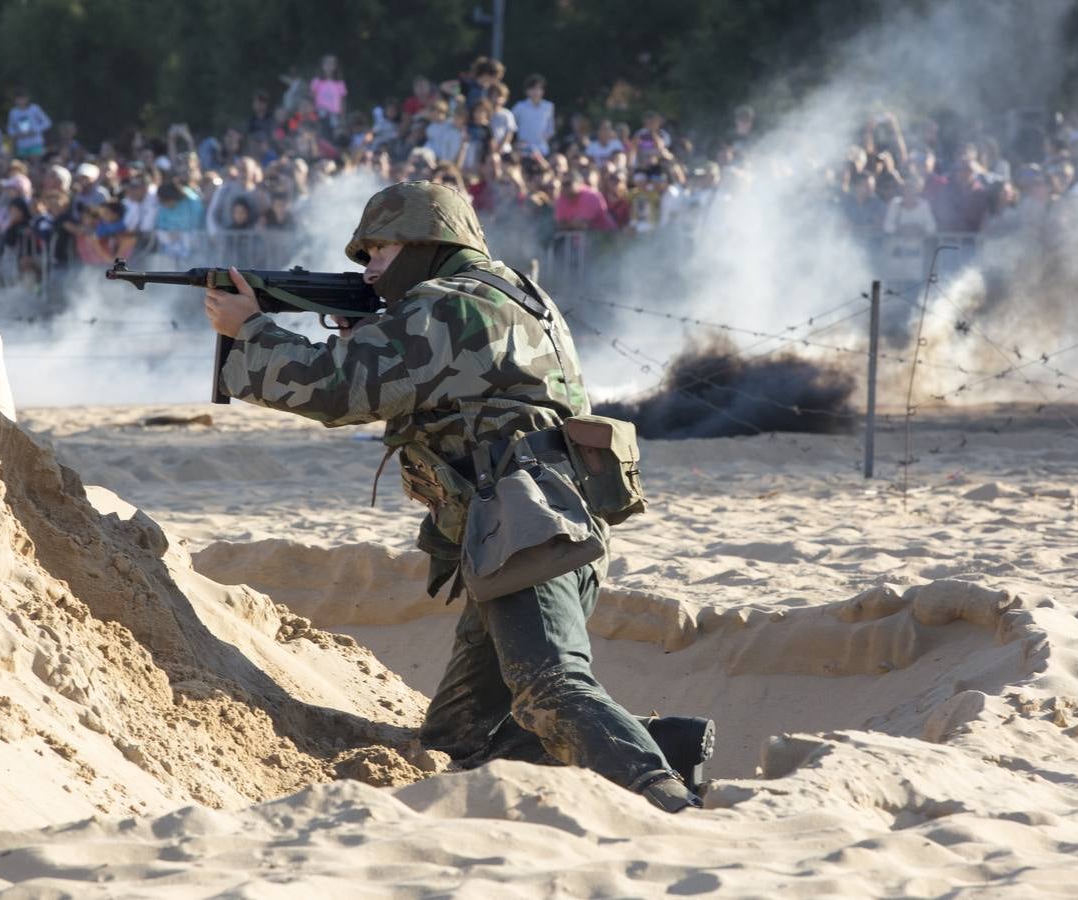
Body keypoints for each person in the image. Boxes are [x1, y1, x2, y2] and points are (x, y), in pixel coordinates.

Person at [202, 181, 709, 813]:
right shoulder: (506, 291)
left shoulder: (448, 306)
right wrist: (369, 327)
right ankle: (667, 744)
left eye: (380, 249)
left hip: (527, 528)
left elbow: (334, 388)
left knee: (551, 687)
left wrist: (249, 330)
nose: (369, 266)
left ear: (425, 244)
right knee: (456, 739)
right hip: (528, 527)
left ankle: (662, 796)